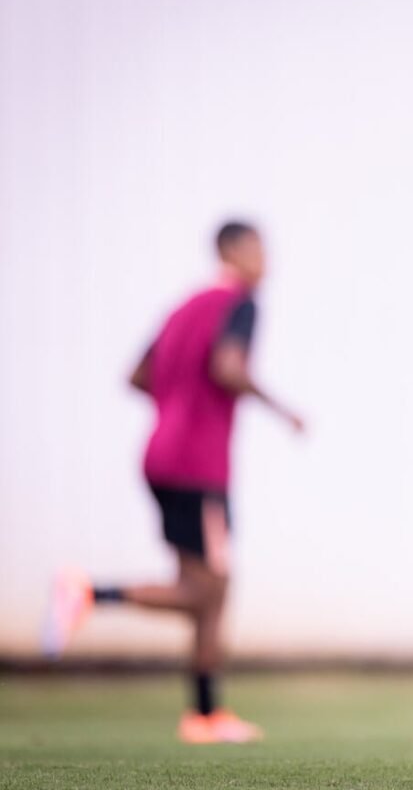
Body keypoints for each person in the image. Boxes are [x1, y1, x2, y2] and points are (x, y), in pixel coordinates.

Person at [41, 220, 304, 744]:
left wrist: (179, 406)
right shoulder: (242, 301)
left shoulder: (185, 306)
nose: (266, 261)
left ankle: (205, 715)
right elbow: (228, 367)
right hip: (198, 465)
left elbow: (138, 375)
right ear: (235, 251)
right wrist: (282, 410)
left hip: (163, 453)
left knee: (207, 586)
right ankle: (90, 593)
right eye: (258, 250)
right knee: (209, 589)